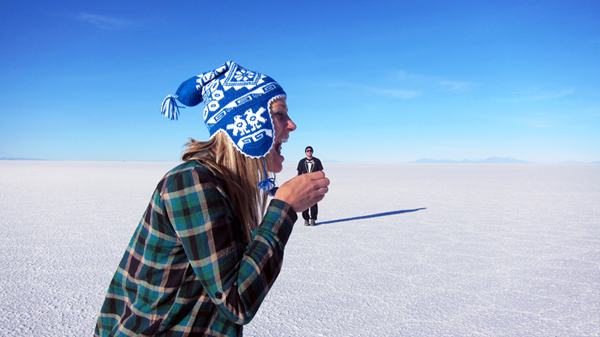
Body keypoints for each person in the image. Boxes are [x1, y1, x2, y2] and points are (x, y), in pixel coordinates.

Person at [95, 61, 329, 337]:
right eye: (279, 114)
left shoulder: (225, 187)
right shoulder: (192, 182)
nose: (292, 125)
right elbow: (237, 300)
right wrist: (284, 208)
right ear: (247, 124)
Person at [297, 146, 324, 226]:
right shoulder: (302, 161)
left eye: (310, 150)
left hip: (314, 183)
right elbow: (299, 173)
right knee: (305, 201)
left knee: (314, 201)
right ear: (305, 152)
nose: (309, 152)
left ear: (312, 151)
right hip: (305, 184)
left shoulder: (317, 161)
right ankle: (306, 219)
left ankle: (313, 218)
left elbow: (320, 172)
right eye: (307, 151)